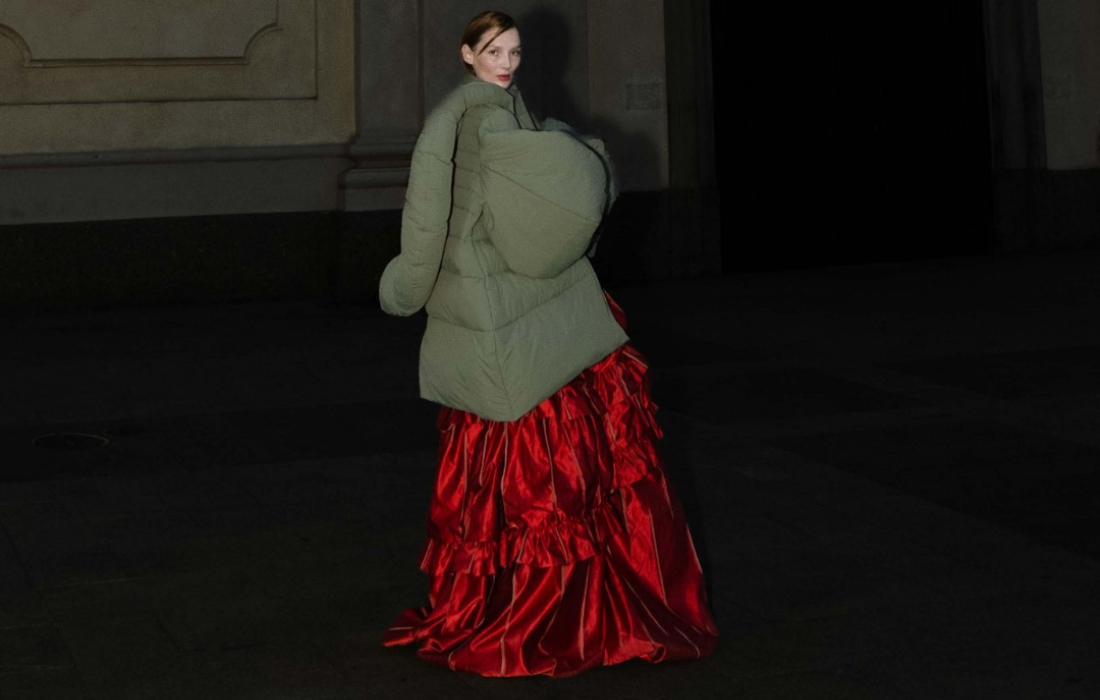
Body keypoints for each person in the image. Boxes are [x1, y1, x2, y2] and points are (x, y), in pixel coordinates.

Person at [379, 10, 718, 677]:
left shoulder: (456, 127)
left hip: (497, 329)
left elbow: (421, 243)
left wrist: (397, 293)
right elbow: (568, 211)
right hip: (548, 319)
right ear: (468, 55)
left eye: (514, 52)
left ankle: (524, 616)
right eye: (494, 52)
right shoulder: (511, 122)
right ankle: (592, 609)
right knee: (579, 470)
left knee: (514, 478)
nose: (507, 63)